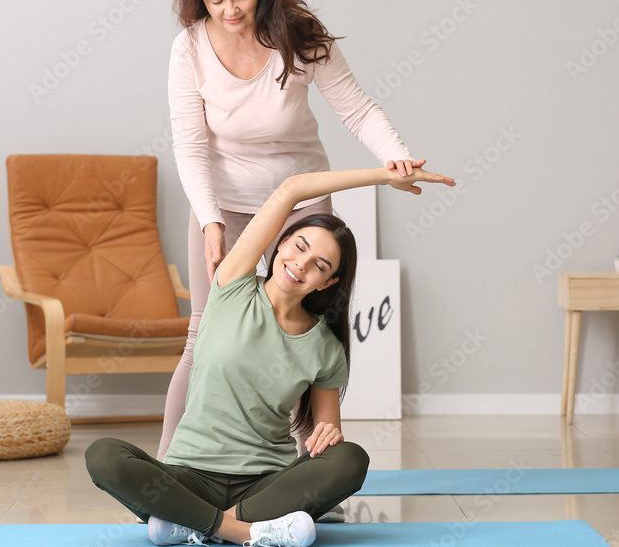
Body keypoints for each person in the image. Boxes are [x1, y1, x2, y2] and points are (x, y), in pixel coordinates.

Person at [86, 165, 455, 547]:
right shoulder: (233, 285)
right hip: (190, 477)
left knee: (351, 459)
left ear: (328, 283)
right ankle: (244, 533)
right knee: (104, 456)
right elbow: (293, 188)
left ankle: (193, 525)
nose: (301, 265)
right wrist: (383, 176)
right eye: (299, 246)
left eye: (320, 266)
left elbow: (325, 444)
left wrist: (329, 435)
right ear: (280, 243)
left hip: (265, 486)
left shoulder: (326, 346)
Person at [162, 0, 421, 461]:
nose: (229, 10)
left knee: (307, 332)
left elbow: (357, 108)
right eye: (215, 1)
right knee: (202, 337)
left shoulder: (299, 36)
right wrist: (210, 220)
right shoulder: (189, 49)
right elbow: (189, 145)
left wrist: (395, 158)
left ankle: (309, 469)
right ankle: (167, 469)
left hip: (300, 207)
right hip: (223, 206)